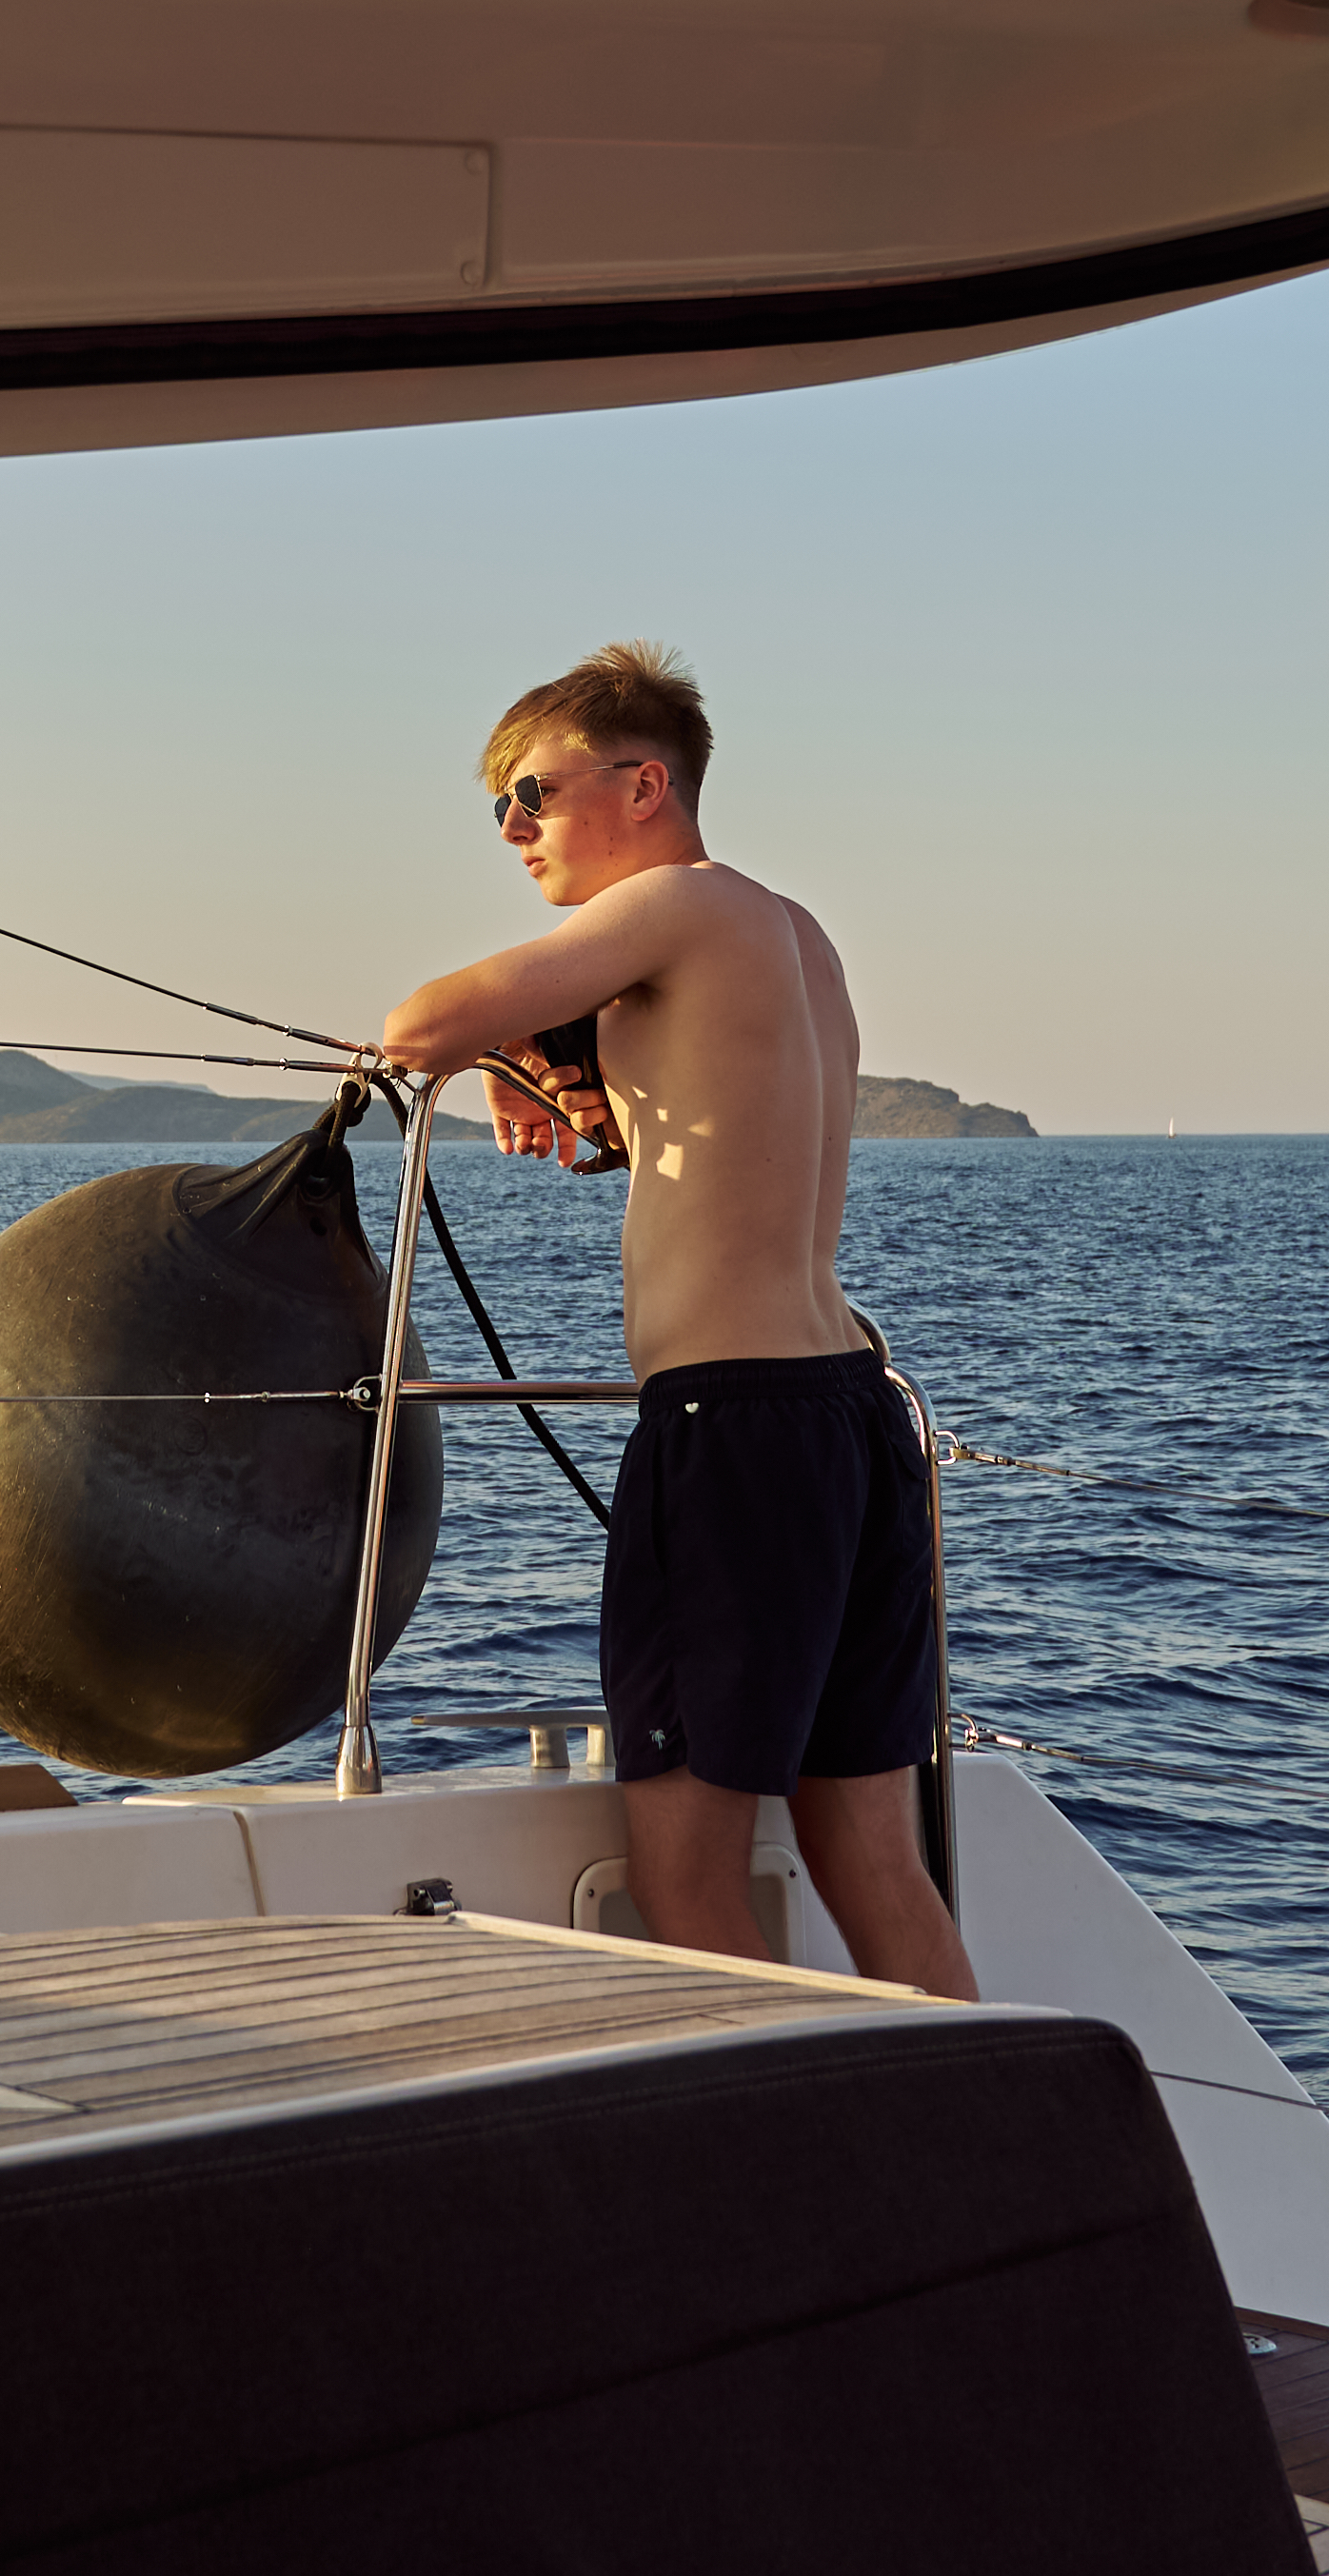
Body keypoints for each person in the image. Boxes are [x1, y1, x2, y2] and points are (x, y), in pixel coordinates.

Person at [366, 643, 975, 2001]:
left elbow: (417, 1021)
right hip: (851, 1419)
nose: (514, 831)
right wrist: (533, 1060)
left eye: (533, 793)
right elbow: (693, 1105)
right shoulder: (786, 931)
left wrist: (482, 1042)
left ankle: (795, 2190)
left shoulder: (674, 907)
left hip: (734, 1429)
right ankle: (982, 2160)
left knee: (685, 1872)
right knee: (874, 1864)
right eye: (498, 811)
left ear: (644, 785)